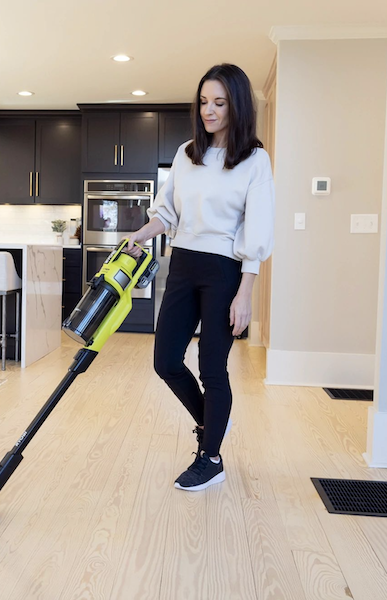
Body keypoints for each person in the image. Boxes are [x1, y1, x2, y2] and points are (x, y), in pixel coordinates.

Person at [125, 64, 275, 491]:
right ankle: (212, 426)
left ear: (237, 106)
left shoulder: (254, 160)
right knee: (166, 361)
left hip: (225, 271)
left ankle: (210, 456)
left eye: (219, 103)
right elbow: (168, 211)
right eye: (204, 102)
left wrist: (245, 291)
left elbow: (257, 228)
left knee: (212, 368)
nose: (209, 111)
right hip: (183, 264)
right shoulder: (187, 152)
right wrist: (138, 234)